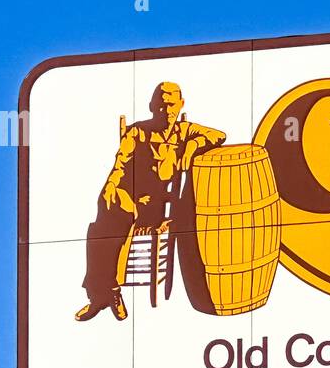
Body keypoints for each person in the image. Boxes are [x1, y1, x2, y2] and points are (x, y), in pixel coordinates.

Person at [75, 82, 225, 321]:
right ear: (152, 107)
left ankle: (103, 294)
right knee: (103, 222)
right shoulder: (137, 132)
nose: (167, 111)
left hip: (161, 207)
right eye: (161, 105)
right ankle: (107, 293)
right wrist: (111, 187)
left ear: (180, 105)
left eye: (171, 105)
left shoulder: (185, 131)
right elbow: (120, 165)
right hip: (132, 199)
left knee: (110, 224)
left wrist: (193, 146)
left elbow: (219, 135)